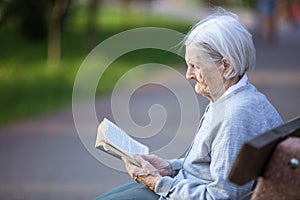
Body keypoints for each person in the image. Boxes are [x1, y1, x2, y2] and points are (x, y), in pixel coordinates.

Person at [95, 9, 283, 200]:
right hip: (183, 187)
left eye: (196, 66)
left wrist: (159, 183)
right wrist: (169, 168)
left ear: (226, 67)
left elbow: (219, 197)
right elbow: (209, 166)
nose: (188, 75)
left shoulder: (235, 116)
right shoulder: (236, 99)